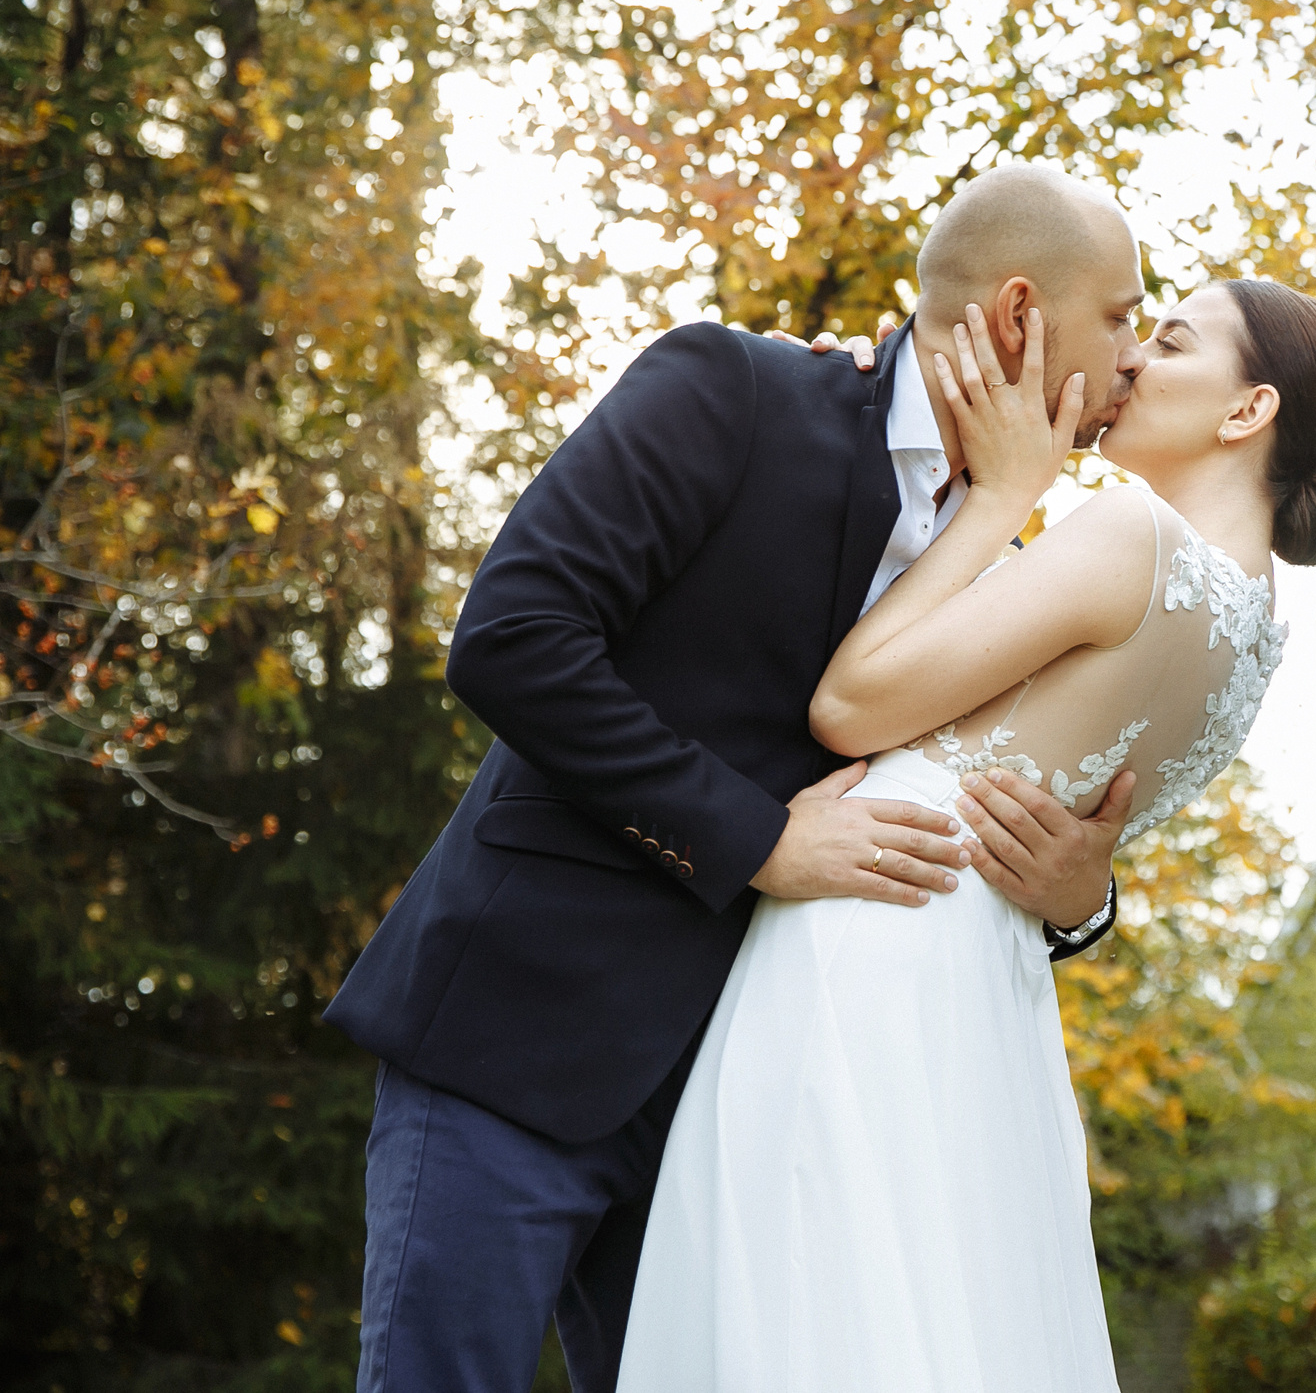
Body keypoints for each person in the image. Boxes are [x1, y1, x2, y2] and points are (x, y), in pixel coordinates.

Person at [324, 166, 1161, 1392]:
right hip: (518, 1034)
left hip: (747, 1121)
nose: (1137, 357)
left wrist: (1077, 896)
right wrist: (756, 839)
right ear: (1022, 315)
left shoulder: (1018, 559)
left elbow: (958, 840)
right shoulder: (733, 390)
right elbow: (514, 637)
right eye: (1124, 315)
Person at [613, 275, 1316, 1390]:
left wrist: (1004, 492)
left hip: (871, 925)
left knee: (809, 1312)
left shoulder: (1131, 535)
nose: (1127, 365)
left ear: (1246, 412)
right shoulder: (1254, 642)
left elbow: (852, 705)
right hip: (987, 984)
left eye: (1165, 342)